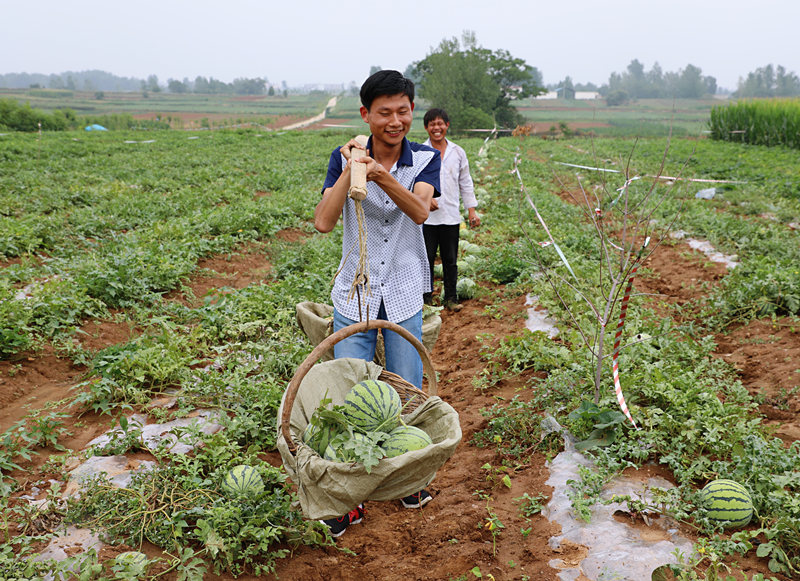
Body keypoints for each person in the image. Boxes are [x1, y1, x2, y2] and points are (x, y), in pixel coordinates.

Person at [314, 70, 440, 535]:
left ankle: (406, 478)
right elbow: (324, 222)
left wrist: (382, 175)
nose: (395, 120)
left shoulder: (425, 158)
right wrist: (353, 169)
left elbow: (421, 211)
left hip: (405, 288)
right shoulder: (342, 157)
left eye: (403, 111)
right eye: (384, 112)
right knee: (350, 392)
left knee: (406, 389)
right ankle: (348, 497)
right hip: (356, 289)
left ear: (412, 111)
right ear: (366, 115)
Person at [421, 108, 480, 313]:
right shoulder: (420, 152)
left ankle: (451, 298)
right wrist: (424, 200)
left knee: (450, 260)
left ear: (446, 125)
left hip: (451, 215)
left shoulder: (458, 152)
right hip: (426, 218)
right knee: (425, 259)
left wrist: (471, 211)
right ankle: (426, 298)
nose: (436, 128)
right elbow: (410, 181)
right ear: (427, 128)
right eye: (432, 124)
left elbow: (466, 182)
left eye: (440, 124)